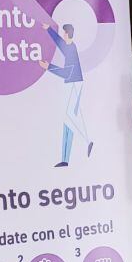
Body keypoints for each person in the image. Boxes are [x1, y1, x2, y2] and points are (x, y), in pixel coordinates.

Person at [39, 21, 91, 166]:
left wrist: (48, 67)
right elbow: (59, 43)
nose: (62, 35)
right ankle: (65, 159)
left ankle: (87, 141)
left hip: (74, 83)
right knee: (67, 121)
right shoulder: (68, 46)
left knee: (70, 117)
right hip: (71, 83)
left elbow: (66, 72)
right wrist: (48, 29)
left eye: (63, 33)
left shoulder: (71, 49)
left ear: (67, 34)